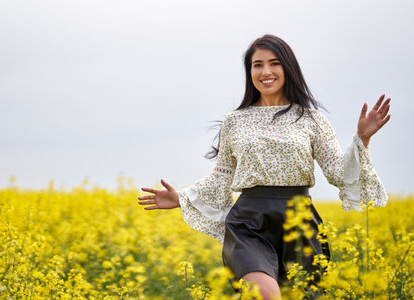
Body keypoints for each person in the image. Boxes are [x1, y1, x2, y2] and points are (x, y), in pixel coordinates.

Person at [137, 34, 390, 299]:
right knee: (265, 295)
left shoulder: (311, 119)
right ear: (250, 71)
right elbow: (221, 178)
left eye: (274, 63)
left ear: (287, 68)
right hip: (249, 223)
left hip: (300, 223)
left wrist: (363, 137)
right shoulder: (235, 121)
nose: (265, 71)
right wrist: (181, 197)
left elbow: (338, 172)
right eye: (257, 65)